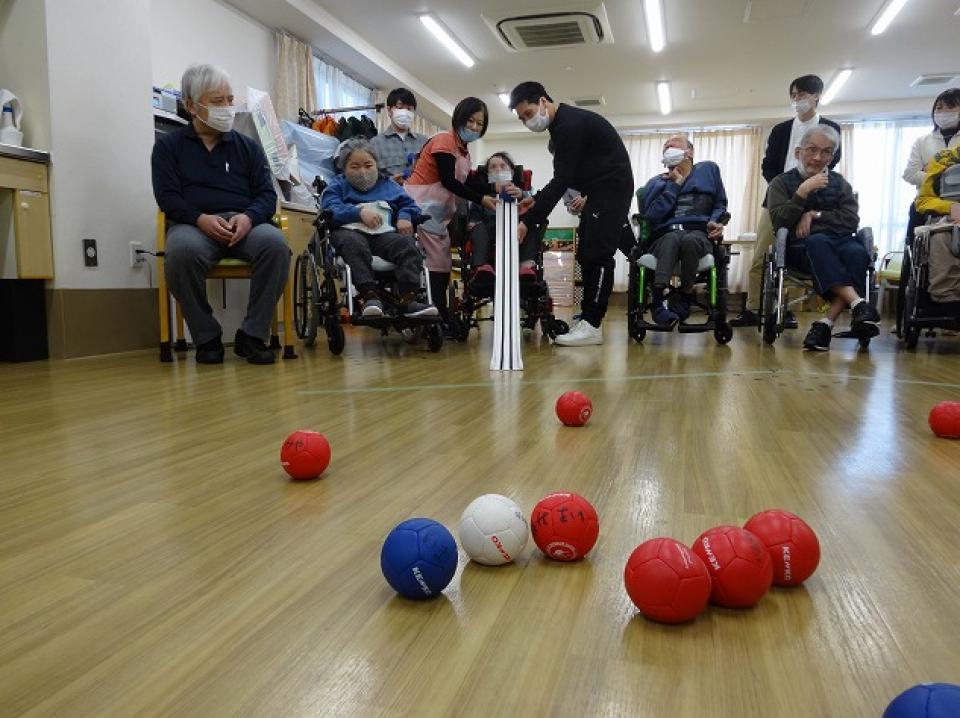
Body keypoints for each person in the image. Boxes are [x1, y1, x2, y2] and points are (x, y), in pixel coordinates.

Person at [152, 63, 289, 365]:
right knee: (181, 253)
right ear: (191, 105)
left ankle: (252, 336)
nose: (227, 108)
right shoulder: (168, 147)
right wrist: (200, 218)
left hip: (244, 223)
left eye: (229, 100)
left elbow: (266, 194)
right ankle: (207, 337)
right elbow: (167, 196)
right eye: (217, 102)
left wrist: (249, 217)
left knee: (276, 245)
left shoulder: (248, 148)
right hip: (194, 224)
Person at [509, 81, 633, 346]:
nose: (527, 122)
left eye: (528, 113)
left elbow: (561, 180)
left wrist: (529, 221)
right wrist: (535, 202)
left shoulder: (569, 125)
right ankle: (588, 320)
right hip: (597, 192)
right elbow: (566, 179)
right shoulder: (562, 127)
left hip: (610, 191)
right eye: (522, 119)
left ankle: (592, 324)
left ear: (543, 101)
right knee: (588, 255)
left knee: (598, 255)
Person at [733, 75, 842, 328]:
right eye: (793, 95)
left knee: (793, 258)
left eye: (802, 95)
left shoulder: (830, 128)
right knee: (762, 254)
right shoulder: (781, 130)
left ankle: (785, 310)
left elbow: (830, 166)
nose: (797, 100)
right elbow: (768, 165)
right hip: (778, 199)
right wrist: (782, 188)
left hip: (814, 201)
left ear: (817, 96)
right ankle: (753, 308)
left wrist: (807, 200)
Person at [766, 125, 880, 351]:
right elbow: (780, 221)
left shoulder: (840, 184)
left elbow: (850, 220)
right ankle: (858, 303)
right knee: (818, 242)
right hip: (801, 249)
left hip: (840, 242)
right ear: (798, 152)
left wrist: (813, 214)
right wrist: (802, 193)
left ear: (832, 156)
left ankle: (825, 324)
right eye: (812, 150)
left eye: (826, 152)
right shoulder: (780, 183)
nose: (818, 158)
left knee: (858, 253)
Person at [404, 97, 498, 327]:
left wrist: (494, 187)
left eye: (479, 123)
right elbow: (449, 181)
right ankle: (436, 315)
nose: (474, 127)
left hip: (438, 213)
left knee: (442, 262)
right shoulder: (444, 141)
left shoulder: (464, 151)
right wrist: (482, 199)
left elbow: (466, 183)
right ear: (459, 118)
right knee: (436, 262)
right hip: (421, 206)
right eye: (470, 121)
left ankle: (439, 313)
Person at [321, 139, 437, 319]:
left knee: (407, 244)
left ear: (377, 165)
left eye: (368, 165)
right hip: (350, 233)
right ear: (344, 168)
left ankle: (408, 299)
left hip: (383, 235)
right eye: (355, 166)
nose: (363, 172)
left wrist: (405, 217)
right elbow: (330, 209)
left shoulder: (388, 185)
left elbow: (411, 206)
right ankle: (369, 297)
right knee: (353, 243)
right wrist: (358, 212)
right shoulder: (337, 186)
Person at [640, 135, 728, 327]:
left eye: (673, 144)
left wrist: (715, 221)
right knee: (673, 238)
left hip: (698, 232)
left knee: (689, 240)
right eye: (665, 146)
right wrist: (673, 186)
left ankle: (686, 297)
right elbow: (652, 216)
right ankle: (657, 303)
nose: (667, 146)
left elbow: (720, 203)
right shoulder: (656, 182)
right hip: (665, 234)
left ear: (689, 152)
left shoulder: (708, 169)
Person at [465, 152, 538, 295]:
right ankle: (482, 267)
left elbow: (537, 206)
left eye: (502, 166)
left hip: (517, 235)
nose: (498, 170)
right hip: (490, 234)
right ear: (487, 174)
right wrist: (472, 224)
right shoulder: (481, 197)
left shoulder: (524, 193)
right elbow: (473, 218)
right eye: (493, 167)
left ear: (511, 171)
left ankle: (526, 267)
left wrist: (522, 194)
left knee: (530, 223)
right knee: (478, 227)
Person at [903, 89, 960, 236]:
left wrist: (931, 170)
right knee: (918, 252)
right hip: (926, 207)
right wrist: (939, 177)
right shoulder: (922, 141)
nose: (943, 112)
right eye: (939, 108)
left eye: (950, 106)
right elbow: (909, 174)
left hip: (958, 208)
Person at [370, 87, 427, 181]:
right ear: (389, 110)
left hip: (419, 194)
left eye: (409, 109)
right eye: (400, 108)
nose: (405, 112)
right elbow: (371, 179)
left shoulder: (425, 142)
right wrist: (391, 181)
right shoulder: (375, 143)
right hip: (390, 194)